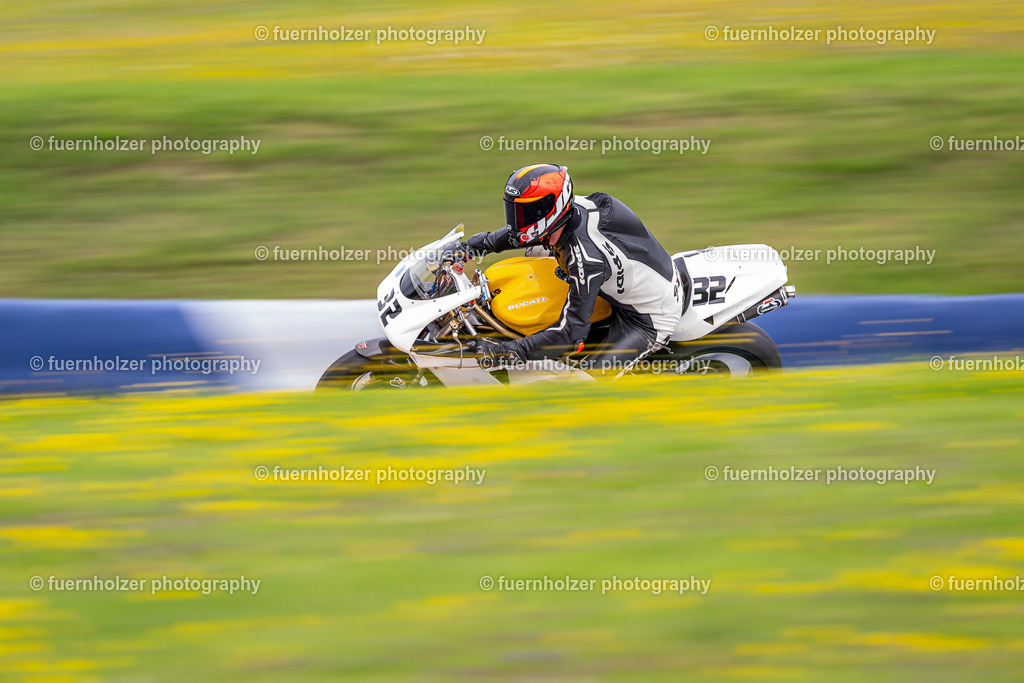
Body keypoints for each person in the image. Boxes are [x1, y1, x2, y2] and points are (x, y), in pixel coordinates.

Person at [448, 163, 684, 377]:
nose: (517, 221)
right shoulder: (569, 210)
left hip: (648, 316)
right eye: (515, 211)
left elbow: (571, 334)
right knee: (536, 251)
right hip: (619, 279)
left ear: (549, 210)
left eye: (526, 213)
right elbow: (520, 235)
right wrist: (470, 247)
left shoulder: (586, 259)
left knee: (588, 385)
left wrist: (507, 352)